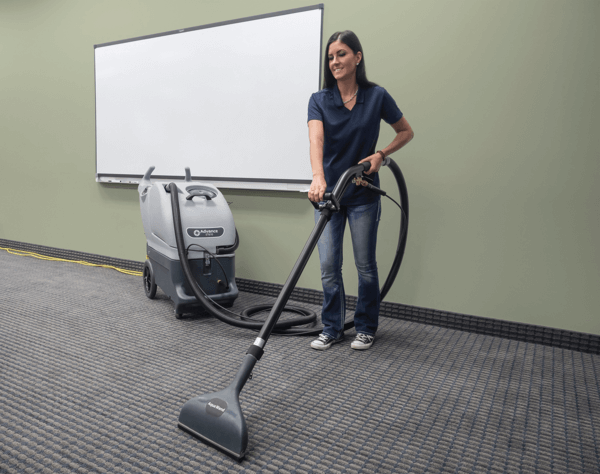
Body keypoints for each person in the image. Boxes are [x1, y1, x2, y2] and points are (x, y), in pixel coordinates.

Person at [307, 30, 414, 351]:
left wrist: (381, 155)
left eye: (341, 54)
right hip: (328, 195)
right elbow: (316, 140)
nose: (335, 61)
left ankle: (366, 327)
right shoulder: (319, 100)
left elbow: (406, 131)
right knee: (328, 267)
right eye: (330, 57)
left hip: (363, 193)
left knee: (365, 266)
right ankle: (332, 328)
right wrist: (317, 176)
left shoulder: (376, 96)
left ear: (357, 57)